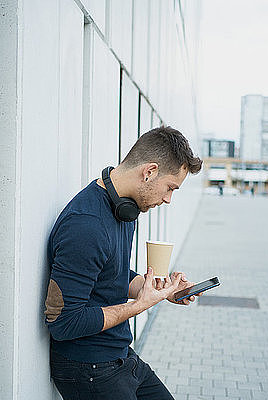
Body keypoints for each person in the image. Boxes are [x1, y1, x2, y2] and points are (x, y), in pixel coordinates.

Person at [44, 126, 203, 400]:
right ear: (149, 171)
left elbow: (112, 276)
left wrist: (163, 291)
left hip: (120, 357)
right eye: (170, 188)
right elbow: (63, 322)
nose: (168, 199)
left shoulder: (124, 209)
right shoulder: (86, 225)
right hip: (89, 368)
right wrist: (141, 305)